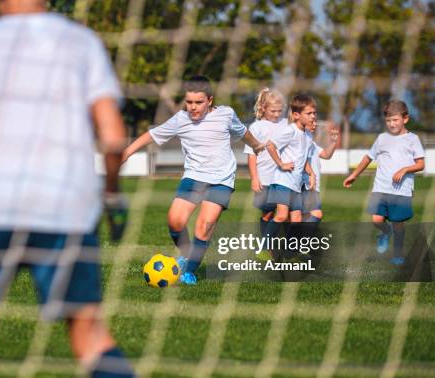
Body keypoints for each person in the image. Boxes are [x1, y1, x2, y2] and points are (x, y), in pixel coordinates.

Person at [0, 1, 134, 377]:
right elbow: (114, 137)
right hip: (67, 205)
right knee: (89, 334)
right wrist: (112, 194)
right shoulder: (81, 42)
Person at [121, 75, 265, 285]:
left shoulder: (226, 115)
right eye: (189, 102)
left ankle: (189, 271)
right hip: (194, 177)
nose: (193, 107)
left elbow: (244, 133)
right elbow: (152, 135)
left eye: (198, 102)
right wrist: (127, 152)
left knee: (204, 225)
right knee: (175, 220)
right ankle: (189, 254)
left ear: (210, 100)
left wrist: (257, 146)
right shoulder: (180, 119)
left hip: (221, 179)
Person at [343, 100, 425, 265]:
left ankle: (398, 255)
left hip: (401, 191)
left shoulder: (413, 139)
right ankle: (385, 233)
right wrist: (354, 175)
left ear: (405, 119)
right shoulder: (382, 138)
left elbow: (421, 164)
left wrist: (404, 170)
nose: (391, 124)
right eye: (388, 120)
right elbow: (368, 157)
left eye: (395, 120)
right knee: (376, 220)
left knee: (398, 225)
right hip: (381, 187)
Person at [263, 94, 317, 243]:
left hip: (296, 184)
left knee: (297, 219)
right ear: (296, 115)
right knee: (281, 215)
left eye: (314, 113)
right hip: (283, 181)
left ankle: (289, 252)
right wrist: (281, 164)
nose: (313, 116)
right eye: (309, 113)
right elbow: (270, 145)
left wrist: (311, 173)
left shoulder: (308, 136)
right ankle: (264, 247)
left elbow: (302, 157)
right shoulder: (290, 131)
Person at [244, 88, 288, 238]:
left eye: (279, 111)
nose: (277, 114)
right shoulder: (256, 127)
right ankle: (267, 245)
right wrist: (255, 178)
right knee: (268, 213)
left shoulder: (287, 124)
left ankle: (288, 245)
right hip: (265, 178)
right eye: (273, 111)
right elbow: (251, 155)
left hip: (285, 178)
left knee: (286, 213)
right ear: (263, 108)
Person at [302, 119, 340, 222]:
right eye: (312, 121)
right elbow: (298, 159)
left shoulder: (311, 143)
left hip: (313, 186)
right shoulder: (300, 140)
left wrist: (333, 142)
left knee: (301, 218)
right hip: (305, 185)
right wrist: (311, 175)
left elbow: (326, 155)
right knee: (312, 215)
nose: (315, 124)